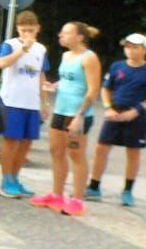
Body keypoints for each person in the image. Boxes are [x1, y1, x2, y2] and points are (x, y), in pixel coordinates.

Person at [34, 22, 102, 215]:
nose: (60, 36)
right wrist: (54, 85)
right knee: (56, 151)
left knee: (76, 155)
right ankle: (57, 195)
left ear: (80, 37)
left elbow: (93, 89)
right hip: (61, 111)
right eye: (61, 32)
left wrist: (79, 117)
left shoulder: (89, 58)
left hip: (78, 115)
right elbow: (69, 79)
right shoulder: (66, 55)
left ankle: (78, 201)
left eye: (66, 33)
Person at [87, 32, 146, 206]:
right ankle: (94, 186)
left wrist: (136, 110)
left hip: (138, 116)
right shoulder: (116, 66)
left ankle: (127, 191)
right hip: (115, 112)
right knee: (101, 149)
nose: (131, 51)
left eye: (135, 47)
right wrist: (108, 107)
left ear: (143, 50)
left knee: (133, 153)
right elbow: (106, 89)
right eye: (128, 47)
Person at [0, 11, 47, 197]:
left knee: (26, 143)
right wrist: (22, 49)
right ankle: (6, 179)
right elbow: (2, 63)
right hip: (12, 101)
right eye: (23, 30)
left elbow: (41, 75)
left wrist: (44, 103)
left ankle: (16, 177)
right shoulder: (10, 44)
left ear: (37, 29)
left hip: (31, 103)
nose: (27, 34)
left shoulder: (41, 49)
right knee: (11, 142)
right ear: (17, 29)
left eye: (30, 30)